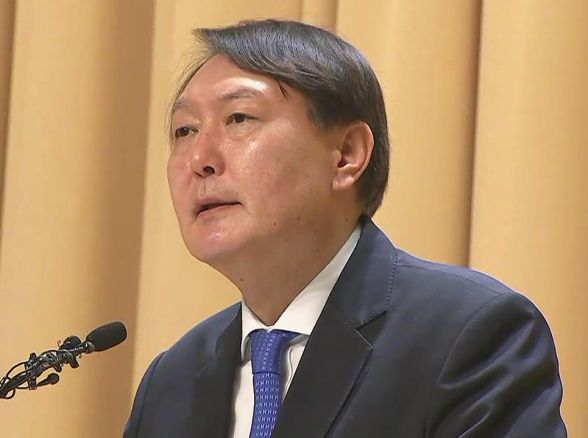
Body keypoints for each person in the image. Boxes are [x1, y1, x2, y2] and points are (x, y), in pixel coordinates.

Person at [124, 19, 566, 438]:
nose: (199, 158)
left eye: (239, 118)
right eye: (184, 130)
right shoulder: (171, 381)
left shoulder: (469, 334)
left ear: (347, 155)